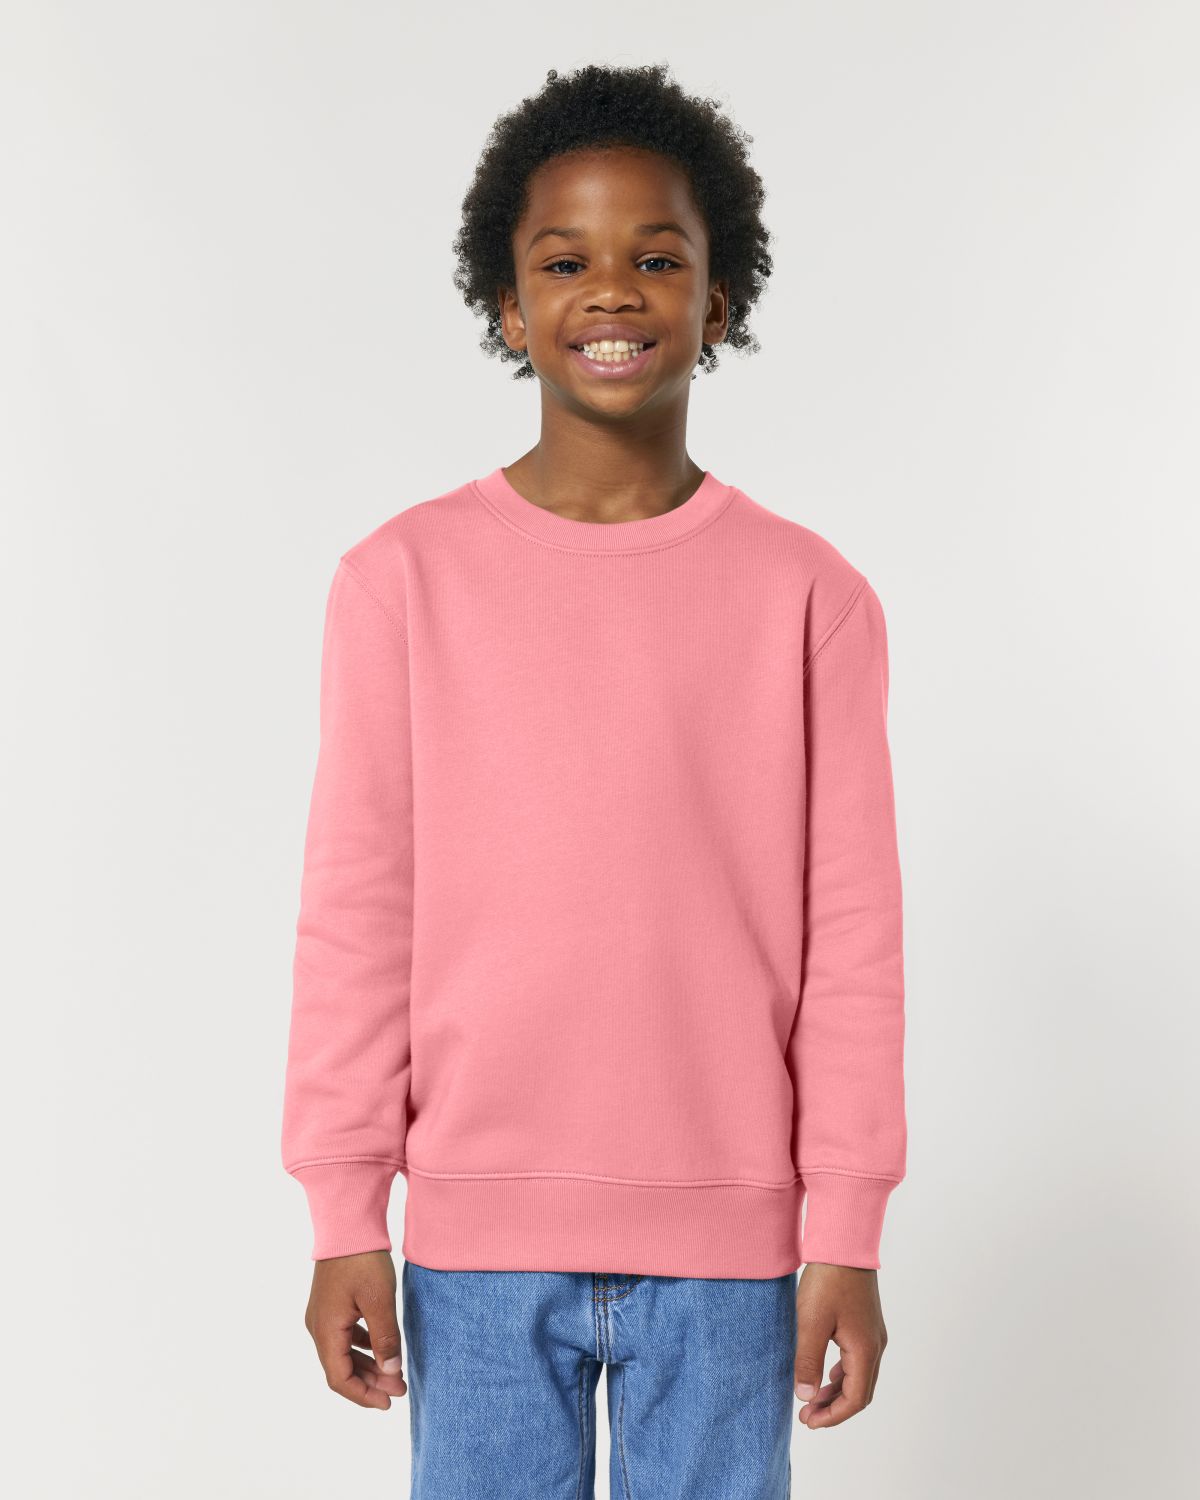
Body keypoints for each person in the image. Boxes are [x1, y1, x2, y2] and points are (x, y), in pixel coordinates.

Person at [280, 60, 907, 1500]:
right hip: (474, 1252)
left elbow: (853, 940)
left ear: (720, 301)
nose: (611, 291)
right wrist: (343, 1208)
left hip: (733, 1256)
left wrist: (848, 1228)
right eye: (565, 262)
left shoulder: (811, 598)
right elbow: (357, 913)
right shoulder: (401, 584)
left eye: (657, 259)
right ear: (507, 307)